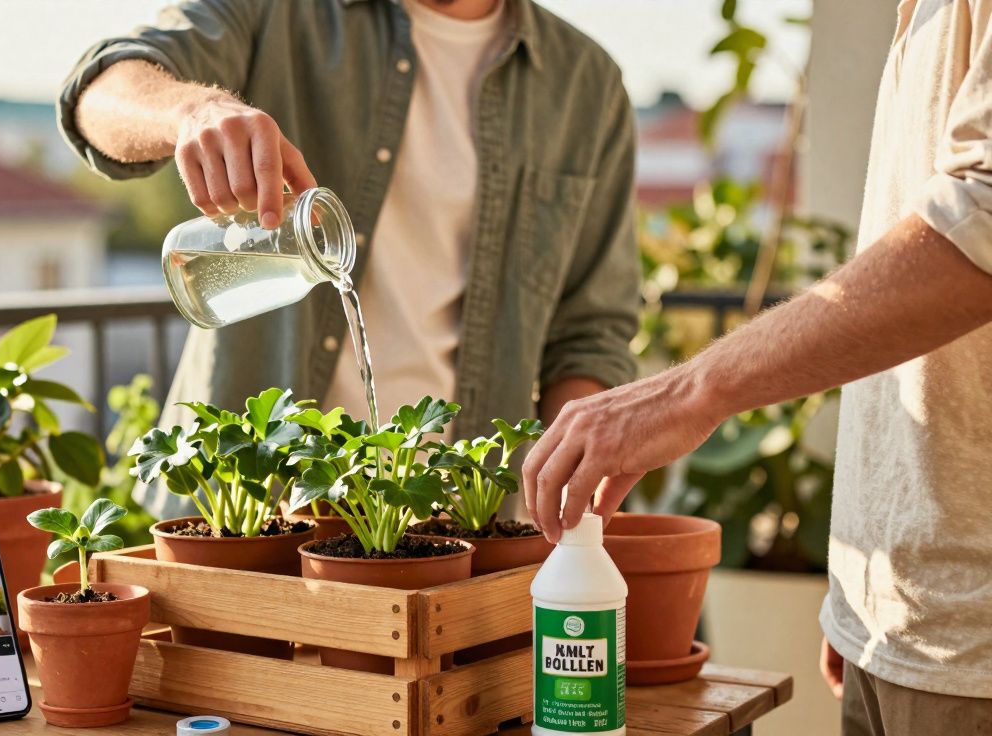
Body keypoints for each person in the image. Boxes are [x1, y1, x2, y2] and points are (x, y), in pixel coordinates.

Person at [523, 2, 992, 732]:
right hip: (903, 620)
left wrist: (690, 390)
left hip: (972, 642)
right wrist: (860, 585)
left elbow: (982, 224)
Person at [59, 0, 641, 519]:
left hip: (459, 528)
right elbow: (98, 93)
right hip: (243, 522)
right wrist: (192, 112)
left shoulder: (585, 85)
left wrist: (568, 510)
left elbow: (591, 332)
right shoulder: (281, 13)